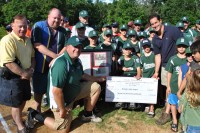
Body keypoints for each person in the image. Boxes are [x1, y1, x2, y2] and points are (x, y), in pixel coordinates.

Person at [27, 36, 105, 133]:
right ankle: (35, 115)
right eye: (75, 47)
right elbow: (56, 91)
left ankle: (87, 114)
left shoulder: (77, 60)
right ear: (67, 47)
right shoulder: (61, 63)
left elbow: (82, 75)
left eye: (80, 47)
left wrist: (97, 79)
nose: (77, 49)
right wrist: (62, 109)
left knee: (95, 87)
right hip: (60, 100)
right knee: (64, 129)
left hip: (72, 93)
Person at [0, 14, 35, 133]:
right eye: (20, 26)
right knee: (16, 103)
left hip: (25, 75)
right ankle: (20, 127)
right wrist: (24, 74)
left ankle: (17, 119)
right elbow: (9, 63)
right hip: (12, 77)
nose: (23, 29)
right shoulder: (7, 40)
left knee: (24, 98)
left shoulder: (28, 40)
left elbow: (33, 57)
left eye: (25, 26)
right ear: (12, 25)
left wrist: (31, 70)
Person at [31, 8, 67, 112]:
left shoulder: (62, 30)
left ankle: (54, 110)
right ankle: (36, 112)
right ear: (48, 16)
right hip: (40, 64)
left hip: (56, 66)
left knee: (54, 88)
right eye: (54, 18)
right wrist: (54, 56)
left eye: (59, 18)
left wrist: (57, 58)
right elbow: (37, 44)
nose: (56, 20)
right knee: (38, 91)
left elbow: (66, 45)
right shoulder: (39, 26)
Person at [149, 13, 183, 107]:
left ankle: (180, 107)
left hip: (177, 65)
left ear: (160, 21)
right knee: (167, 87)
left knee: (178, 86)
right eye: (152, 24)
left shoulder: (172, 30)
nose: (155, 25)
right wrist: (156, 72)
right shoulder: (155, 39)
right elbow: (157, 56)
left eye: (156, 22)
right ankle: (169, 108)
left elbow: (182, 45)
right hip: (165, 67)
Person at [156, 37, 189, 132]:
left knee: (184, 106)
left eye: (184, 46)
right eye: (179, 46)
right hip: (174, 86)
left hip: (185, 87)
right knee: (173, 104)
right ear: (176, 47)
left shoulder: (189, 59)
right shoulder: (173, 59)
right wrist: (168, 86)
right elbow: (169, 73)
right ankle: (174, 121)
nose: (182, 48)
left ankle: (184, 123)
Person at [115, 42, 141, 109]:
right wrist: (121, 68)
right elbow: (117, 68)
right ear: (123, 50)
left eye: (129, 49)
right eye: (126, 49)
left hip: (133, 75)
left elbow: (138, 68)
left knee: (134, 83)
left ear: (131, 50)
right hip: (124, 75)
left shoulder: (135, 57)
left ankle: (133, 101)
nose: (127, 51)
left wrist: (138, 75)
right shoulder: (121, 58)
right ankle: (121, 100)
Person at [140, 39, 155, 117]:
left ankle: (151, 108)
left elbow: (157, 66)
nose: (147, 48)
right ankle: (147, 105)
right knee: (146, 92)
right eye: (145, 46)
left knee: (151, 92)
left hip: (153, 77)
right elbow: (141, 68)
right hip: (145, 77)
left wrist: (155, 74)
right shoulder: (142, 57)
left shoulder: (154, 55)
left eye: (148, 46)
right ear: (143, 47)